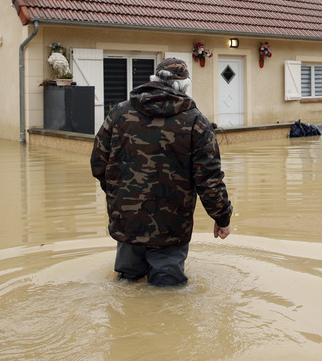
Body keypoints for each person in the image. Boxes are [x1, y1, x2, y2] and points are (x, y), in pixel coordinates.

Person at [90, 58, 233, 286]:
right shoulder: (196, 122)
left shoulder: (119, 114)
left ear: (154, 80)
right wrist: (222, 216)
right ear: (184, 86)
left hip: (127, 219)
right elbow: (209, 180)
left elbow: (98, 163)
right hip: (171, 225)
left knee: (127, 283)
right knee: (168, 291)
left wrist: (118, 195)